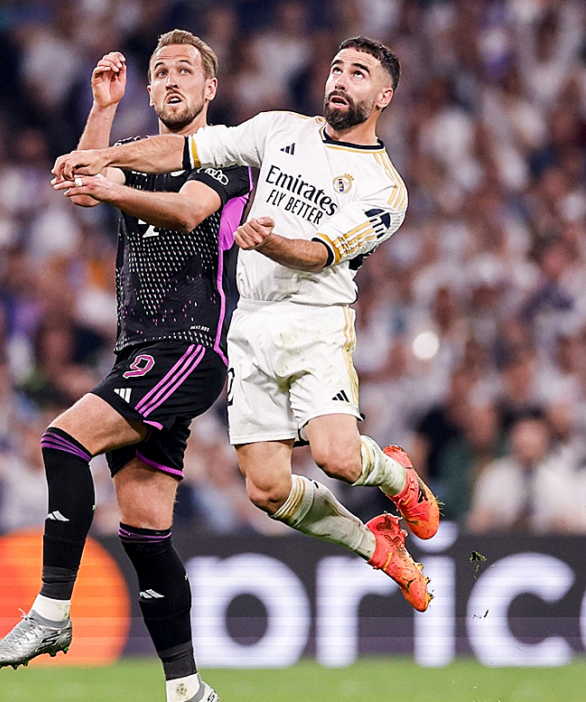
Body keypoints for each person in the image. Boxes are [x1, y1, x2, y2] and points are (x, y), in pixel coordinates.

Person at [52, 36, 440, 611]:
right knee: (266, 489)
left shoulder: (386, 189)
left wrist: (272, 241)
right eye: (336, 67)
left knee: (334, 455)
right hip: (249, 323)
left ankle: (395, 476)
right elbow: (182, 153)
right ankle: (374, 543)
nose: (340, 79)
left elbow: (319, 253)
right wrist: (106, 156)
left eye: (358, 74)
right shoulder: (280, 128)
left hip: (315, 322)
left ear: (383, 96)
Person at [0, 30, 251, 702]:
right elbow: (82, 177)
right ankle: (186, 693)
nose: (168, 78)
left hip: (189, 346)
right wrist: (101, 115)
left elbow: (190, 212)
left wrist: (110, 177)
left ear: (208, 90)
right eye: (159, 69)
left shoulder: (228, 155)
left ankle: (51, 612)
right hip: (141, 351)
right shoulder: (131, 151)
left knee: (64, 441)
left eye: (184, 70)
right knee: (143, 532)